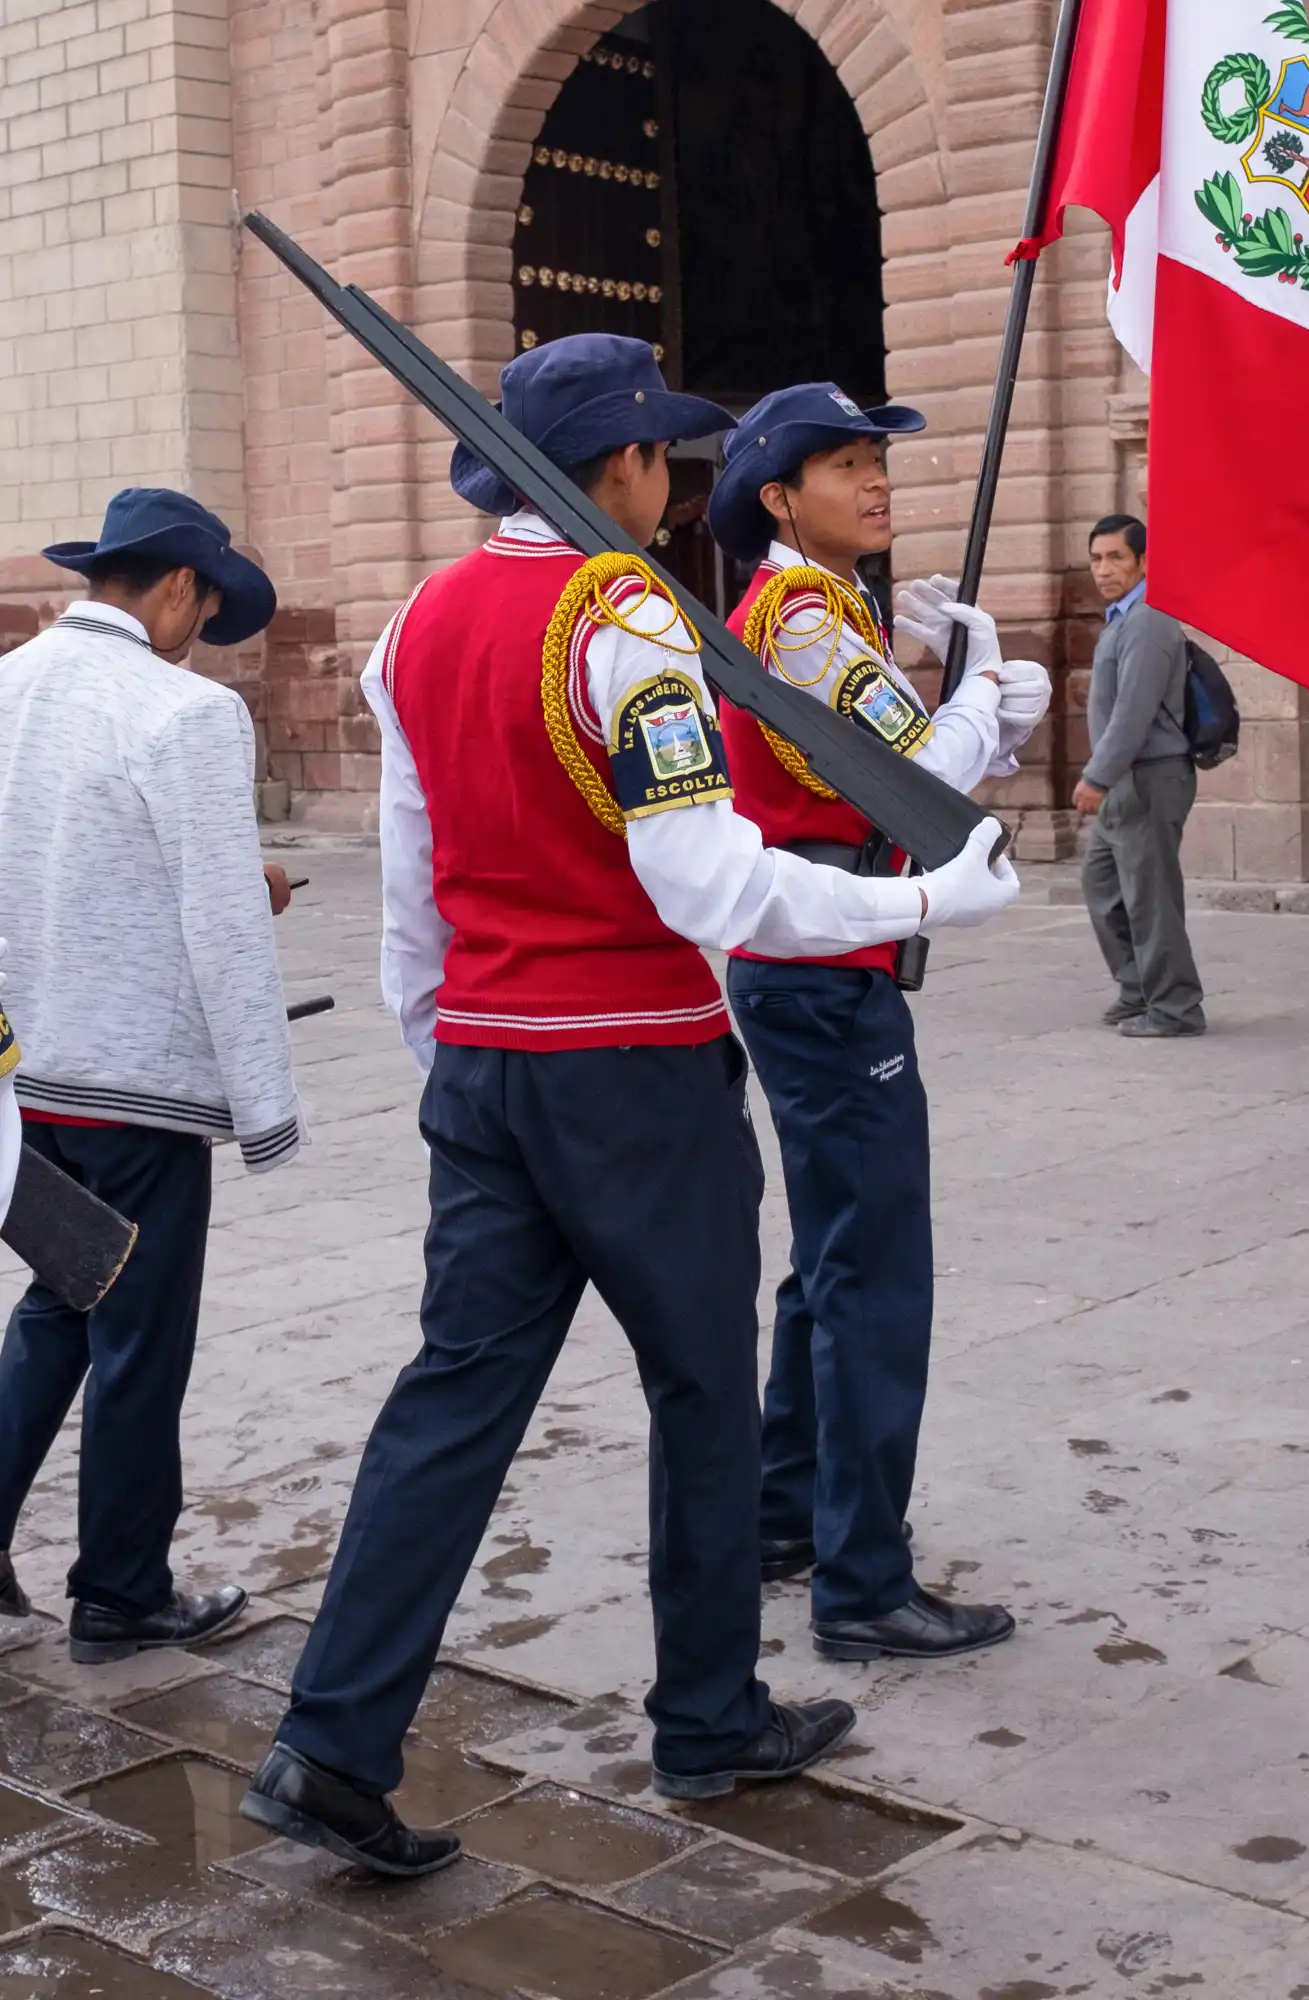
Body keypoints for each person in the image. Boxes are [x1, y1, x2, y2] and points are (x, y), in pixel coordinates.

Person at [241, 335, 1021, 1880]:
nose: (672, 482)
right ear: (617, 470)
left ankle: (327, 1736)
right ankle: (709, 1712)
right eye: (660, 454)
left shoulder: (417, 623)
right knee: (700, 1392)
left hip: (487, 1064)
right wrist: (926, 892)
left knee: (452, 1400)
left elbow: (412, 892)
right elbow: (708, 881)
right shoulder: (627, 623)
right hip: (633, 1075)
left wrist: (454, 1051)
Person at [706, 383, 1052, 1663]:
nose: (876, 479)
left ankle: (787, 1516)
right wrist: (978, 705)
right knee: (875, 1273)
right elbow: (906, 772)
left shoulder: (827, 605)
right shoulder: (798, 615)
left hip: (817, 951)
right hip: (818, 963)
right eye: (846, 464)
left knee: (834, 1257)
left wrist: (971, 706)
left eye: (877, 458)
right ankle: (864, 1579)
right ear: (778, 498)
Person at [0, 487, 299, 1654]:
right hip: (134, 1085)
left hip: (31, 1073)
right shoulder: (188, 712)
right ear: (178, 586)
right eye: (207, 604)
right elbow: (220, 923)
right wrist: (266, 1108)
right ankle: (121, 1588)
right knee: (136, 1334)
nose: (204, 627)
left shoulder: (8, 685)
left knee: (66, 1305)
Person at [1074, 514, 1205, 1038]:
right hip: (1127, 782)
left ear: (1144, 562)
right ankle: (1137, 991)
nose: (1103, 569)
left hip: (1148, 777)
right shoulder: (1123, 617)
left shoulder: (1149, 618)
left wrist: (1097, 776)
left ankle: (1175, 1009)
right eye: (1096, 558)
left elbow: (1134, 710)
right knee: (1103, 886)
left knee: (1151, 898)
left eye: (1116, 558)